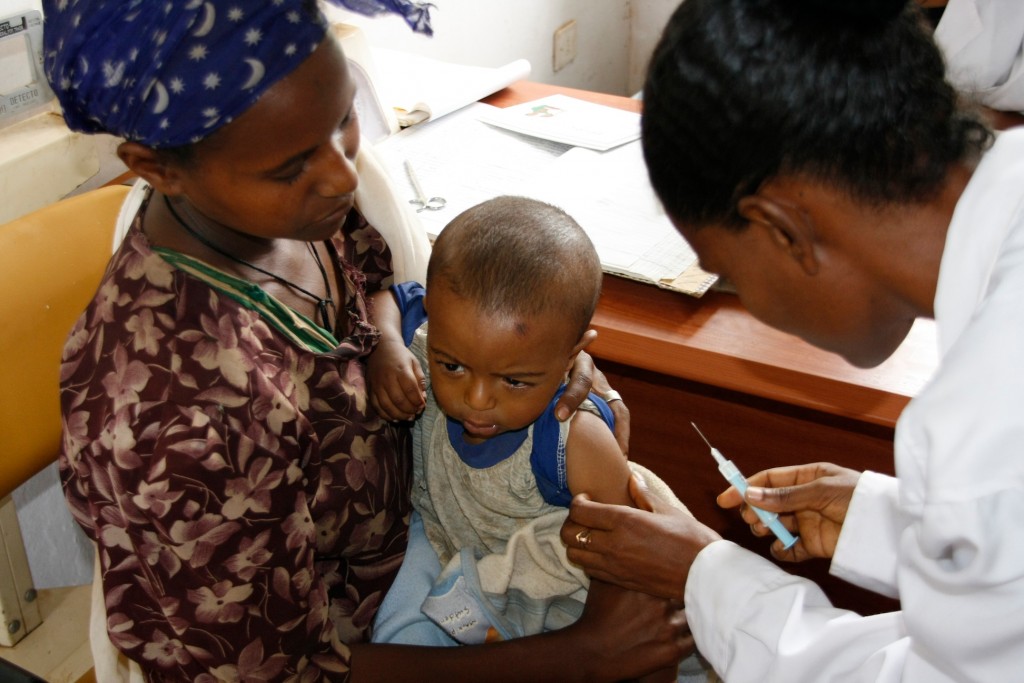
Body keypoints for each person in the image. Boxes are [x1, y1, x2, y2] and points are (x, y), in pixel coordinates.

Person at [45, 2, 691, 681]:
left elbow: (386, 283)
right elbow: (284, 673)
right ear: (157, 168)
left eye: (344, 117)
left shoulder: (291, 207)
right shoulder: (172, 414)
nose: (345, 175)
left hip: (441, 532)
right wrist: (576, 656)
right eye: (291, 164)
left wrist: (545, 369)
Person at [560, 0, 1024, 681]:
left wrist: (707, 575)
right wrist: (884, 521)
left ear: (781, 229)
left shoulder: (981, 425)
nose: (750, 305)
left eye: (730, 274)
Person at [365, 196, 703, 681]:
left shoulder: (574, 441)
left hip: (560, 569)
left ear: (574, 356)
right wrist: (389, 347)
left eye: (515, 381)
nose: (476, 399)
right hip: (443, 534)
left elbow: (627, 554)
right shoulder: (435, 333)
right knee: (400, 636)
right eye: (451, 366)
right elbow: (391, 300)